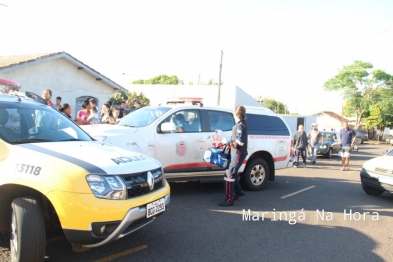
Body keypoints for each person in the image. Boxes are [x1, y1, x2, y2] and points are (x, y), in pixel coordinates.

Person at [219, 105, 247, 207]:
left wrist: (229, 143)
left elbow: (241, 142)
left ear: (236, 114)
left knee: (229, 174)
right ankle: (238, 191)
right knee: (232, 173)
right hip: (236, 153)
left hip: (238, 153)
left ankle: (229, 200)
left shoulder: (239, 126)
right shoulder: (241, 124)